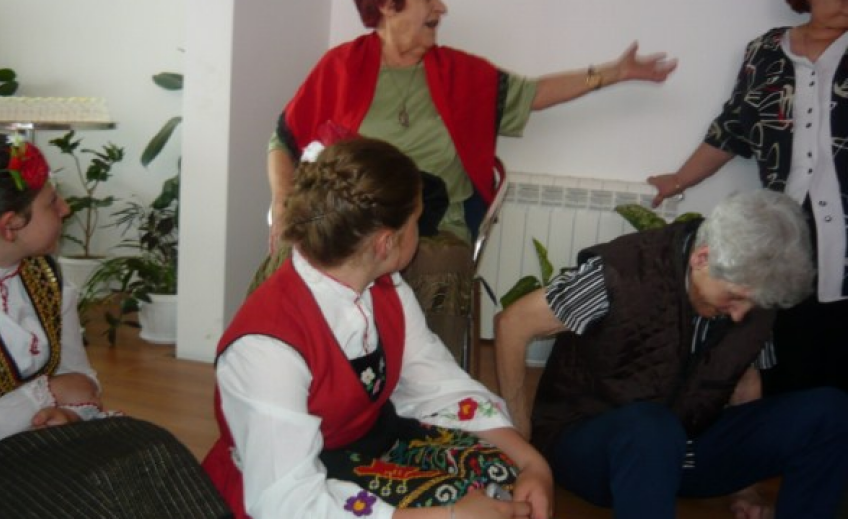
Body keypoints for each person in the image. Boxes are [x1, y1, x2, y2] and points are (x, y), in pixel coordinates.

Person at [259, 0, 678, 362]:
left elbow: (532, 94)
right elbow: (284, 139)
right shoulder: (341, 67)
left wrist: (612, 73)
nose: (441, 8)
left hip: (436, 220)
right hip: (357, 217)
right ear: (387, 5)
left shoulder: (459, 73)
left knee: (440, 265)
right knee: (295, 254)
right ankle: (300, 365)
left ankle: (428, 389)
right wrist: (282, 200)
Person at [203, 137, 555, 519]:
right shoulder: (265, 347)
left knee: (503, 476)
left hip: (371, 444)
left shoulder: (385, 288)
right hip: (300, 488)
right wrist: (449, 516)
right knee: (473, 504)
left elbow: (436, 383)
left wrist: (532, 463)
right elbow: (287, 502)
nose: (421, 230)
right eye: (417, 221)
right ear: (387, 243)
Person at [0, 134, 229, 519]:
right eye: (52, 202)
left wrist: (71, 413)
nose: (65, 208)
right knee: (91, 498)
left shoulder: (46, 275)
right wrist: (42, 397)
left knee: (152, 447)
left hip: (26, 445)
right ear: (10, 224)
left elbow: (79, 380)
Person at [493, 189, 848, 519]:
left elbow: (745, 379)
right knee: (652, 429)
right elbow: (513, 323)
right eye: (735, 298)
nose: (741, 314)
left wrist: (745, 489)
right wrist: (522, 446)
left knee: (830, 412)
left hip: (684, 447)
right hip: (593, 447)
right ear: (702, 258)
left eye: (753, 304)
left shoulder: (751, 291)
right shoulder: (619, 272)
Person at [647, 0, 848, 396]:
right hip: (782, 237)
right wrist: (680, 179)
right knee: (785, 363)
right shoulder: (765, 52)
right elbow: (732, 128)